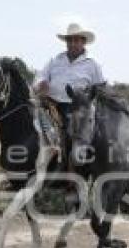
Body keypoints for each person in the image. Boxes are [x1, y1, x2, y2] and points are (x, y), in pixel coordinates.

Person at [33, 23, 105, 154]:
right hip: (51, 106)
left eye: (76, 40)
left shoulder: (92, 65)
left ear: (83, 42)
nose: (72, 43)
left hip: (78, 109)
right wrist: (41, 84)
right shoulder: (54, 61)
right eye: (69, 40)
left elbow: (101, 89)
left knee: (75, 134)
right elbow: (39, 78)